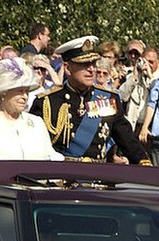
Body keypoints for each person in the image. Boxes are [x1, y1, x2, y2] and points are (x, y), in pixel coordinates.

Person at [30, 36, 150, 164]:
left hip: (97, 177)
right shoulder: (47, 102)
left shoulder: (109, 99)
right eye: (84, 64)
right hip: (62, 176)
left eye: (93, 64)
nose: (91, 69)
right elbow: (33, 146)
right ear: (67, 68)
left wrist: (144, 162)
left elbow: (127, 139)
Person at [0, 58, 56, 164]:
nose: (25, 96)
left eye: (27, 91)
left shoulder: (36, 123)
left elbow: (50, 156)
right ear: (4, 93)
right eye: (20, 91)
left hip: (35, 180)